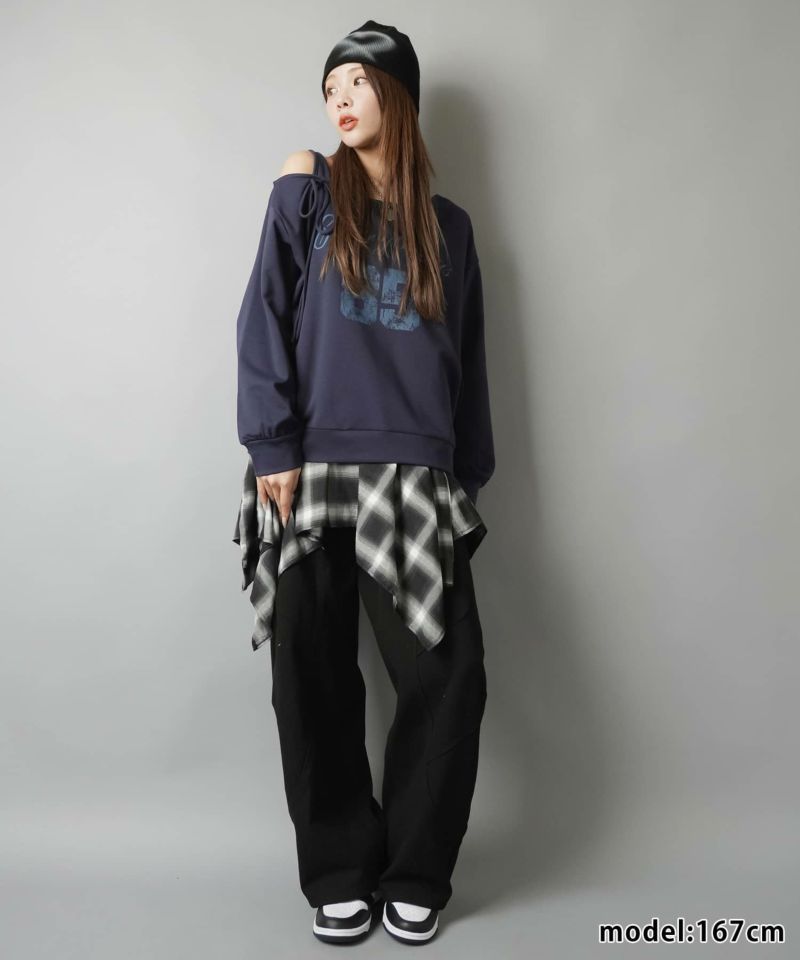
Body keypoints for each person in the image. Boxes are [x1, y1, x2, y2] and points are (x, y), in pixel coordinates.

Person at [232, 20, 495, 945]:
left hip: (413, 472)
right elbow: (263, 316)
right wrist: (271, 445)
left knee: (448, 678)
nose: (339, 100)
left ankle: (415, 871)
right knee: (310, 676)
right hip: (307, 467)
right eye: (330, 87)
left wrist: (465, 475)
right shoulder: (308, 194)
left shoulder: (449, 228)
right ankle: (340, 871)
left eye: (358, 82)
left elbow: (467, 358)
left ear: (400, 95)